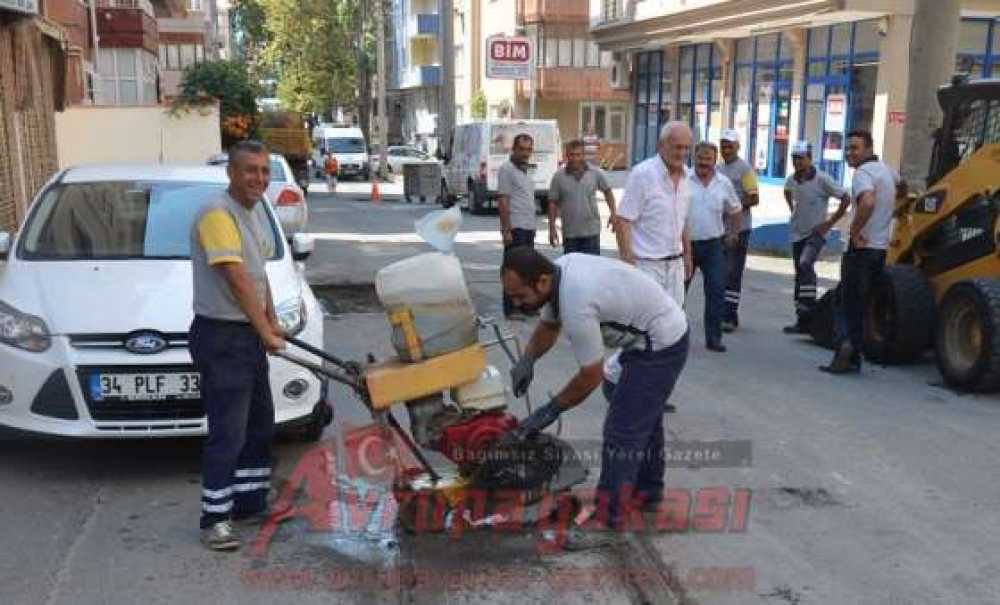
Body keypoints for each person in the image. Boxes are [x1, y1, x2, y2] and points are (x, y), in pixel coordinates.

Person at [502, 247, 689, 547]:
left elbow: (590, 375)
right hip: (649, 332)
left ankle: (608, 516)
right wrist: (528, 360)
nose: (516, 303)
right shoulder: (558, 272)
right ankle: (649, 492)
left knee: (622, 430)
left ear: (541, 282)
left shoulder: (577, 302)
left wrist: (550, 410)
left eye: (520, 296)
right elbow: (549, 325)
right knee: (635, 408)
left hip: (660, 341)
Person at [188, 140, 286, 551]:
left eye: (264, 171)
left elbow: (258, 273)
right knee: (228, 431)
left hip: (246, 332)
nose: (259, 179)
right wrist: (264, 330)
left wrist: (272, 319)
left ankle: (249, 503)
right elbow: (234, 275)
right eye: (250, 170)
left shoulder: (254, 213)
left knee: (259, 424)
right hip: (223, 335)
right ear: (231, 172)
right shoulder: (217, 213)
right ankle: (215, 519)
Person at [820, 130, 902, 375]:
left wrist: (854, 231)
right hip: (879, 250)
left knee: (845, 304)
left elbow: (867, 202)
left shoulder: (863, 174)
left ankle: (844, 349)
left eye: (855, 148)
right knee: (861, 304)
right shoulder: (886, 170)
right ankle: (854, 358)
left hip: (860, 251)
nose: (849, 153)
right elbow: (903, 187)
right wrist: (891, 213)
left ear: (868, 149)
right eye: (847, 148)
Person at [615, 121, 694, 305]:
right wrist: (628, 261)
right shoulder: (643, 174)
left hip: (675, 266)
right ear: (661, 146)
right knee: (646, 325)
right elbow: (623, 220)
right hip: (646, 266)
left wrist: (688, 255)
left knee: (674, 325)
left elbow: (682, 219)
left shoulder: (687, 177)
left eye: (686, 148)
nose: (682, 153)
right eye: (677, 147)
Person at [782, 141, 851, 334]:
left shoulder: (822, 179)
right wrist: (792, 209)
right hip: (797, 233)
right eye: (794, 158)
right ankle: (802, 319)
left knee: (805, 264)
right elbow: (787, 191)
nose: (797, 162)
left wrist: (829, 223)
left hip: (816, 233)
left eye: (801, 158)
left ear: (810, 158)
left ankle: (811, 309)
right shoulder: (792, 180)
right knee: (799, 273)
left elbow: (846, 198)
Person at [685, 142, 742, 352]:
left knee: (717, 291)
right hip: (686, 245)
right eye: (700, 157)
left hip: (713, 246)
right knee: (678, 291)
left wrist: (733, 234)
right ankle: (674, 338)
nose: (703, 162)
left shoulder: (723, 183)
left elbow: (736, 210)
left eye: (708, 159)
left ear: (714, 161)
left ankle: (714, 338)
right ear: (694, 157)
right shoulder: (684, 179)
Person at [717, 129, 759, 332]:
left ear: (737, 146)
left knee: (733, 273)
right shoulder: (718, 168)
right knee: (721, 273)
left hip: (739, 229)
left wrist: (732, 205)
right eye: (723, 145)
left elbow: (754, 198)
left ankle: (730, 316)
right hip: (720, 230)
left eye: (729, 145)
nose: (726, 149)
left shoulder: (745, 169)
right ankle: (721, 311)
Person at [547, 139, 618, 255]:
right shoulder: (558, 176)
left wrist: (613, 213)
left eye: (578, 155)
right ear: (566, 155)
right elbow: (552, 203)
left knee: (591, 269)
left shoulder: (595, 173)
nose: (575, 158)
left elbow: (608, 191)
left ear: (584, 155)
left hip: (591, 232)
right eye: (572, 155)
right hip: (570, 234)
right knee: (573, 270)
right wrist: (552, 228)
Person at [498, 133, 539, 320]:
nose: (525, 153)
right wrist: (506, 230)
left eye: (529, 149)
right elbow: (503, 201)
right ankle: (511, 308)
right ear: (513, 149)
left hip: (528, 226)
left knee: (527, 270)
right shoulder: (507, 169)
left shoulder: (526, 170)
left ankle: (525, 306)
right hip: (515, 228)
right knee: (513, 271)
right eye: (522, 149)